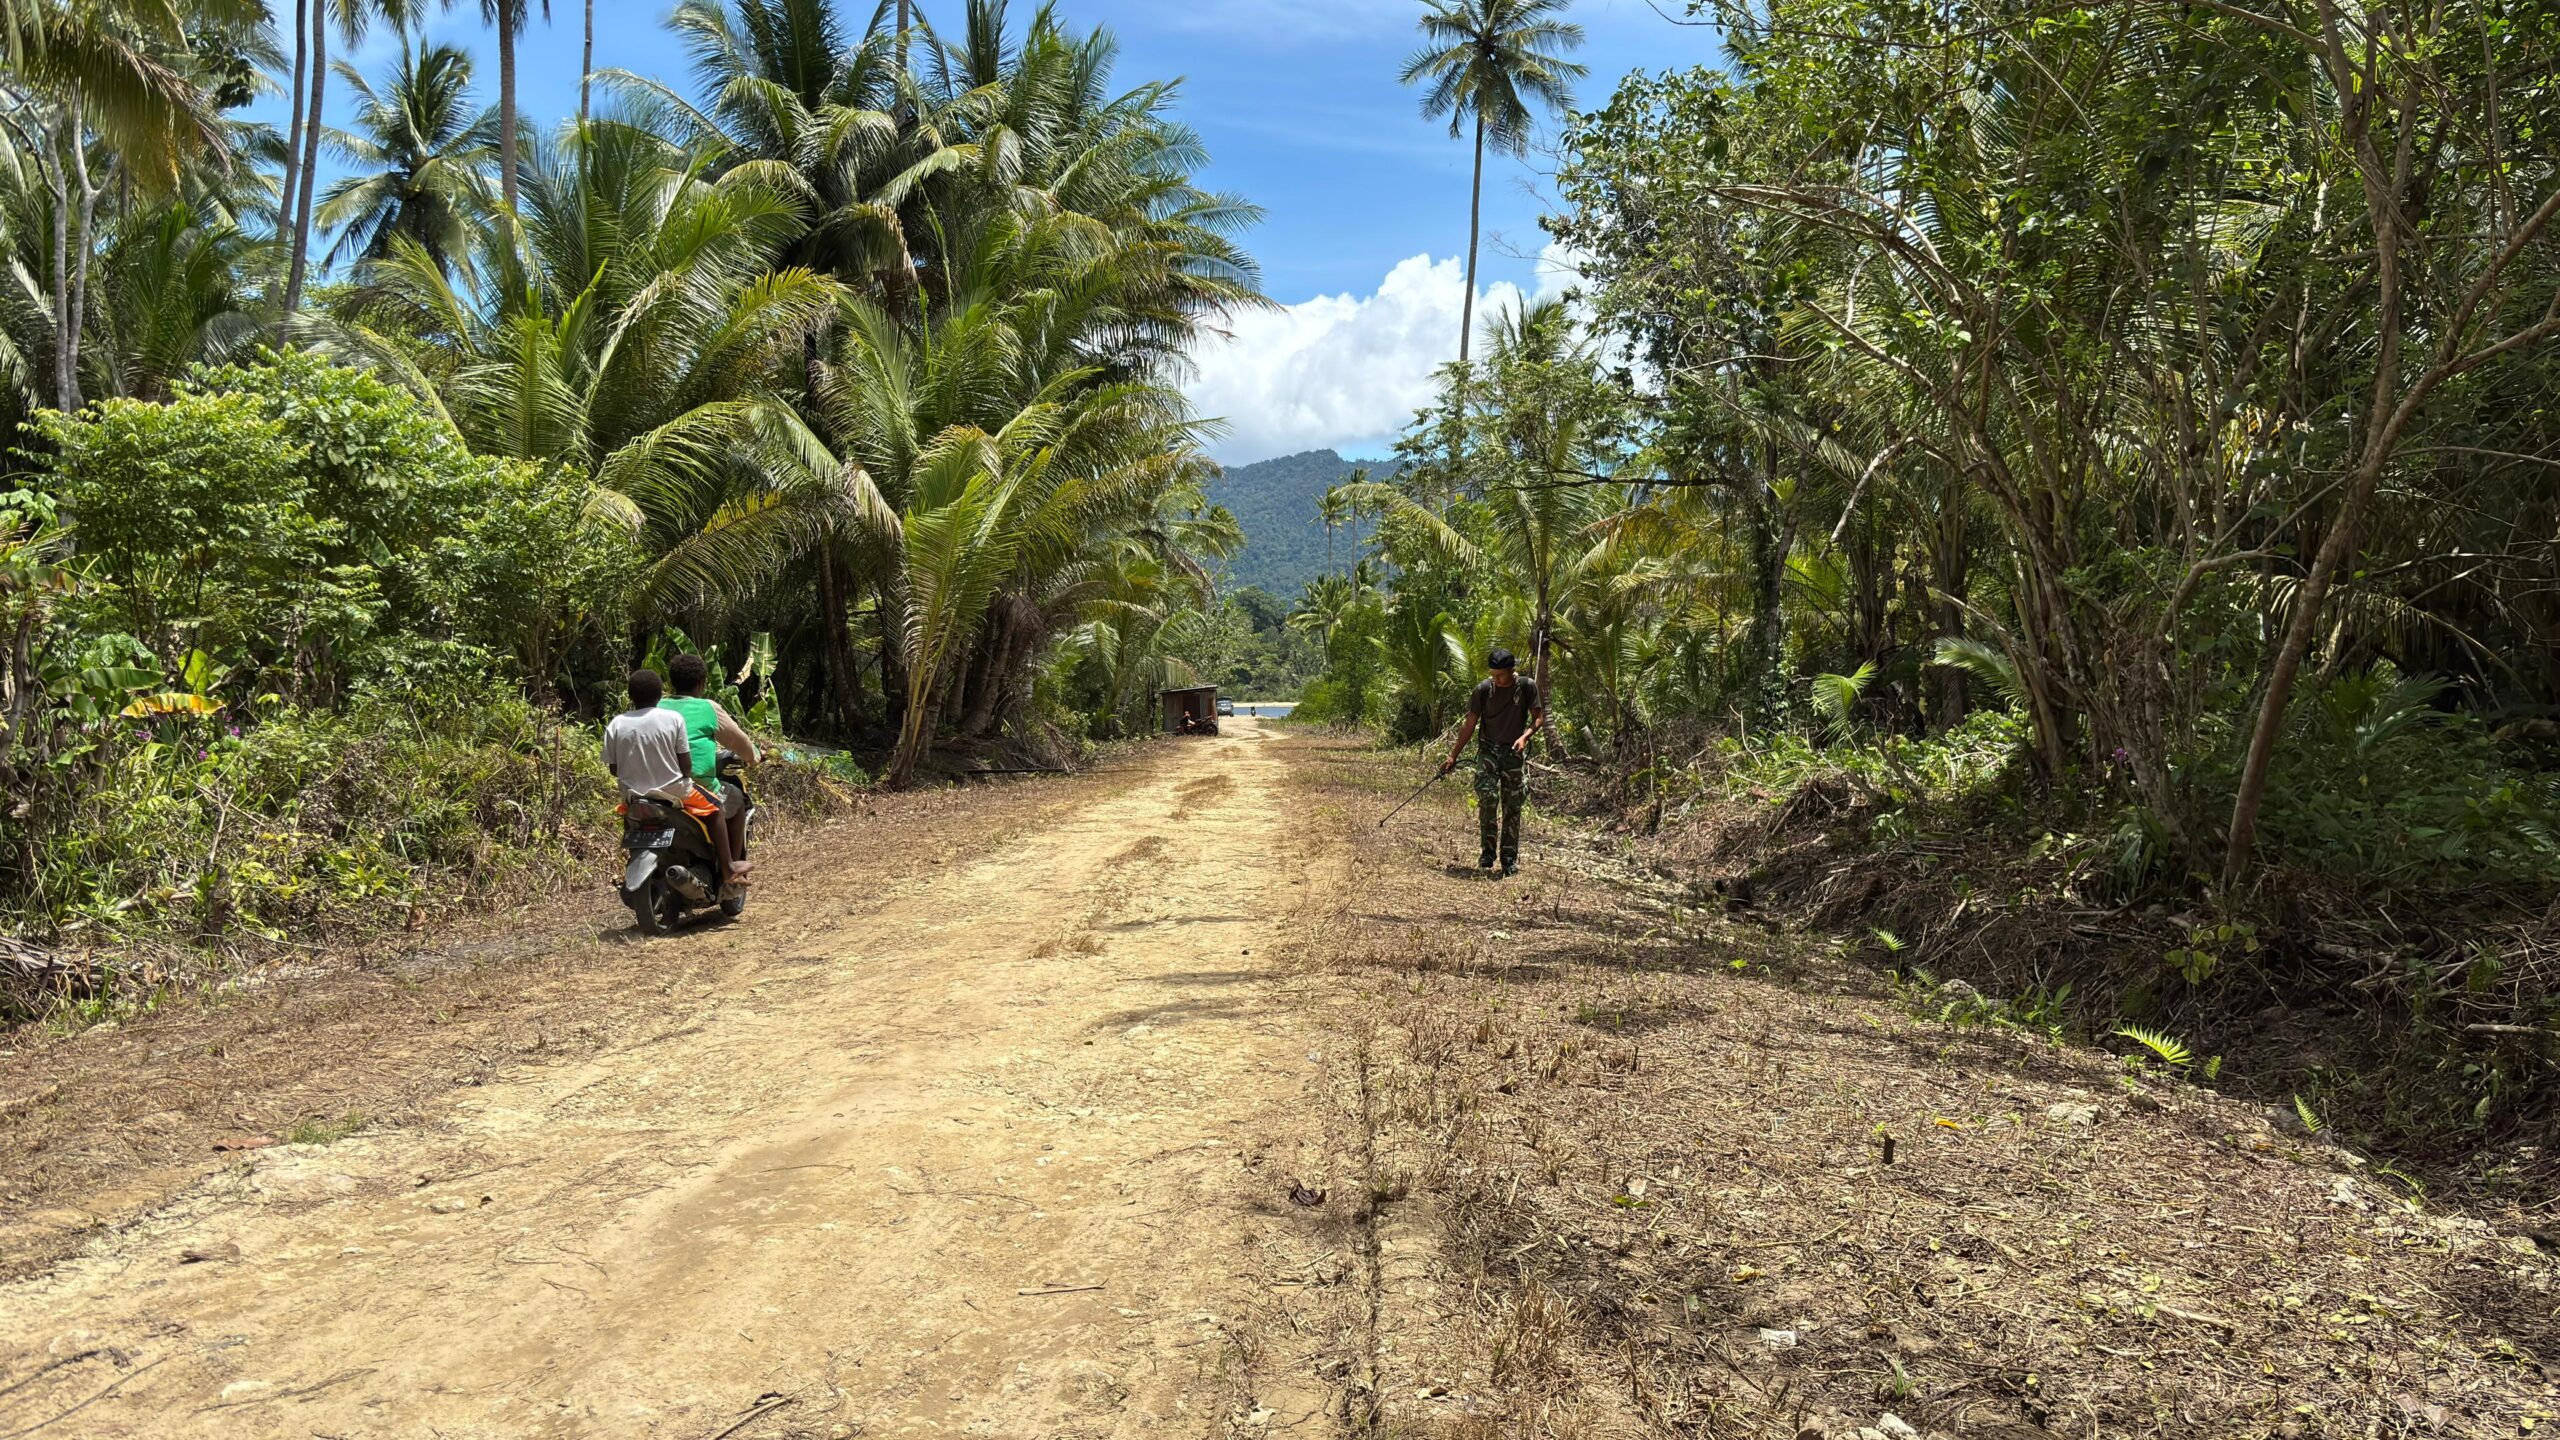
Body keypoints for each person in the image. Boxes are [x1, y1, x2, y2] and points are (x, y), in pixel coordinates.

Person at [1440, 648, 1545, 876]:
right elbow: (1469, 725)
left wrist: (1525, 737)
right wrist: (1453, 755)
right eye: (1493, 674)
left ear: (1512, 671)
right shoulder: (1483, 690)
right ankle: (1487, 853)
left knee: (1512, 805)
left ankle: (1508, 859)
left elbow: (1538, 717)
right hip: (1488, 750)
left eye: (1500, 675)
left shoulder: (1527, 687)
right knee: (1487, 799)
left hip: (1513, 752)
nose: (1495, 679)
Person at [662, 653, 761, 887]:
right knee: (736, 799)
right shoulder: (708, 708)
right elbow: (739, 741)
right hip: (693, 787)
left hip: (654, 786)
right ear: (702, 683)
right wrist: (754, 757)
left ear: (671, 682)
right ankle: (731, 871)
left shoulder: (656, 706)